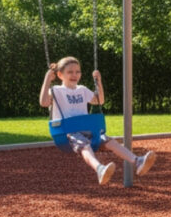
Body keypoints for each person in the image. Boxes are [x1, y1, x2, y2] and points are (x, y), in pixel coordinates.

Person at [39, 56, 156, 185]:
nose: (74, 75)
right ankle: (99, 169)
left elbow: (99, 100)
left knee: (109, 141)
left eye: (77, 72)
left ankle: (137, 161)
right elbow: (44, 102)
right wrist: (47, 80)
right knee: (85, 145)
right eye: (70, 72)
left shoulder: (82, 89)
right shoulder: (56, 90)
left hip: (88, 129)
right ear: (60, 75)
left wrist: (98, 81)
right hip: (69, 132)